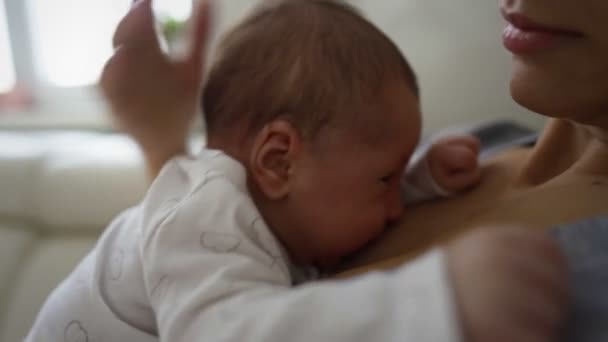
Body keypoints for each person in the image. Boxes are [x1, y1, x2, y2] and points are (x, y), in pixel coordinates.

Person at [25, 1, 568, 342]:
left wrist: (417, 178)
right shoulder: (205, 212)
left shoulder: (263, 202)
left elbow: (330, 186)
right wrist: (434, 303)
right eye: (386, 180)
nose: (395, 208)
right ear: (278, 159)